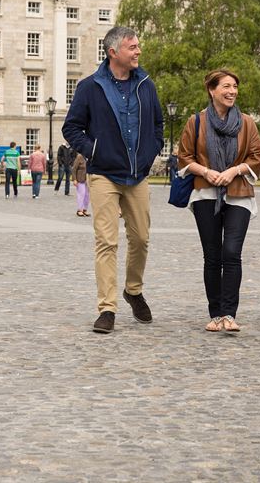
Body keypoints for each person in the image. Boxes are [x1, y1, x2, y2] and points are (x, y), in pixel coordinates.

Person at [62, 25, 164, 334]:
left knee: (141, 238)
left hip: (138, 175)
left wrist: (151, 152)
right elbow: (72, 128)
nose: (138, 51)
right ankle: (107, 308)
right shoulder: (89, 87)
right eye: (132, 47)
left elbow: (158, 124)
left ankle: (133, 290)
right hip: (104, 174)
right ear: (113, 52)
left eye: (137, 46)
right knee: (106, 241)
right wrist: (95, 150)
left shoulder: (146, 84)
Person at [177, 70, 260, 333]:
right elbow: (184, 157)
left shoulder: (247, 123)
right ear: (212, 90)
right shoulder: (196, 122)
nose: (232, 91)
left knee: (231, 253)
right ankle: (215, 314)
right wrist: (206, 171)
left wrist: (235, 170)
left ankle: (229, 313)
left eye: (235, 86)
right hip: (205, 194)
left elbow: (257, 153)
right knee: (213, 255)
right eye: (226, 86)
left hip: (239, 193)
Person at [72, 152, 89, 216]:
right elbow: (74, 169)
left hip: (87, 179)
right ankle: (80, 210)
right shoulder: (79, 157)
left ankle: (85, 209)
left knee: (87, 196)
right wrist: (74, 179)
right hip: (80, 179)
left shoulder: (89, 157)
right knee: (81, 194)